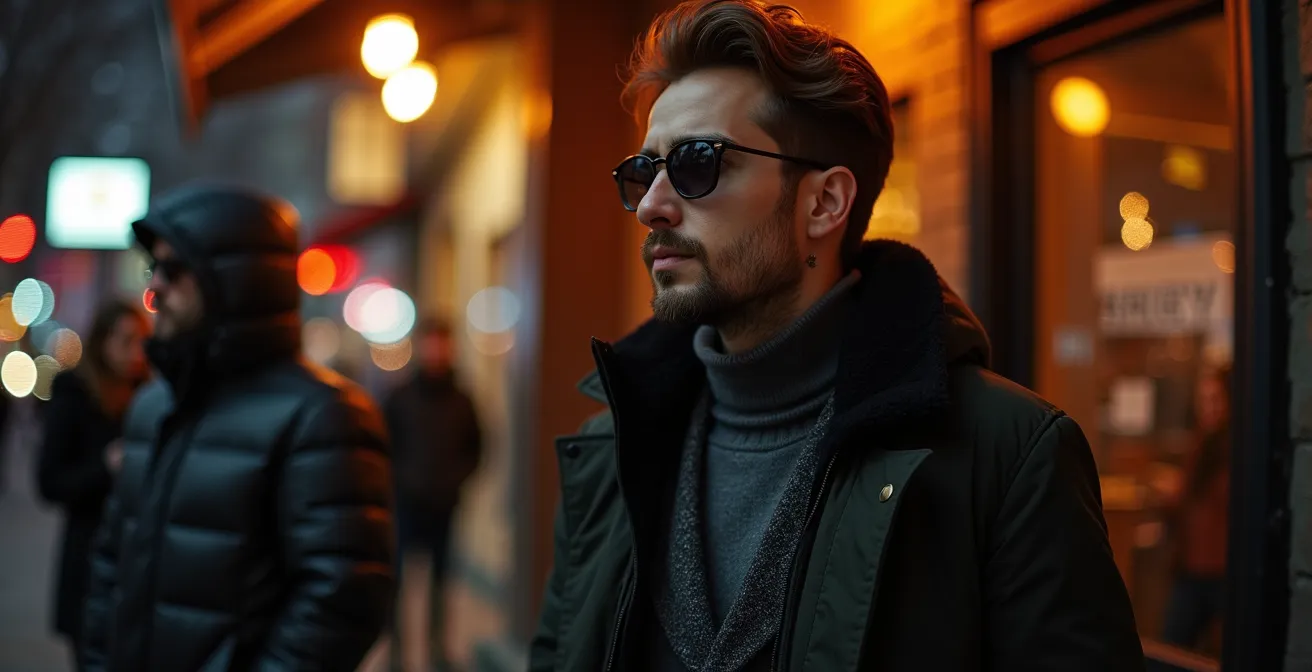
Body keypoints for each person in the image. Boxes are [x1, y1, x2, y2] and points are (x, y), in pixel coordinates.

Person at [529, 2, 1145, 671]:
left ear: (824, 203)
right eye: (644, 171)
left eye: (698, 163)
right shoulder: (613, 447)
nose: (651, 205)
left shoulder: (1005, 458)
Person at [81, 184, 395, 672]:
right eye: (153, 268)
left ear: (235, 278)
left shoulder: (324, 415)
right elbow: (110, 564)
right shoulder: (151, 407)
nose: (156, 287)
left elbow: (344, 598)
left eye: (175, 269)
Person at [37, 300, 150, 670]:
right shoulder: (75, 393)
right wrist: (105, 466)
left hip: (137, 563)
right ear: (103, 341)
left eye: (141, 342)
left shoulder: (150, 395)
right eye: (125, 341)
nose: (134, 353)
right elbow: (49, 482)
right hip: (87, 558)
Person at [383, 317, 482, 670]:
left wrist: (456, 478)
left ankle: (437, 647)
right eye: (431, 342)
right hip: (405, 505)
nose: (436, 350)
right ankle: (396, 651)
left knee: (442, 582)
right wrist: (399, 481)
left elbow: (478, 447)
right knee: (397, 581)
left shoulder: (461, 399)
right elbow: (382, 446)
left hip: (445, 504)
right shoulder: (400, 397)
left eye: (442, 343)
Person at [1160, 366, 1231, 653]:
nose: (1208, 408)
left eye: (1215, 399)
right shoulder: (1202, 441)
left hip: (1222, 570)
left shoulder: (1238, 445)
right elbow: (1188, 497)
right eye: (1203, 400)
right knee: (1173, 649)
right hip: (1191, 567)